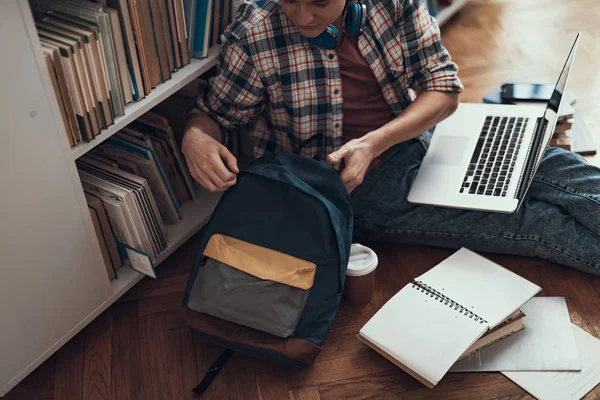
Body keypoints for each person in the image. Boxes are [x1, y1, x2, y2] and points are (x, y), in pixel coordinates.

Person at [181, 0, 600, 276]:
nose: (303, 16)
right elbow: (214, 115)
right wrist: (195, 137)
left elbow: (444, 89)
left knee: (563, 171)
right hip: (357, 190)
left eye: (320, 2)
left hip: (422, 137)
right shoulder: (255, 34)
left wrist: (374, 142)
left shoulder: (396, 3)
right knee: (540, 224)